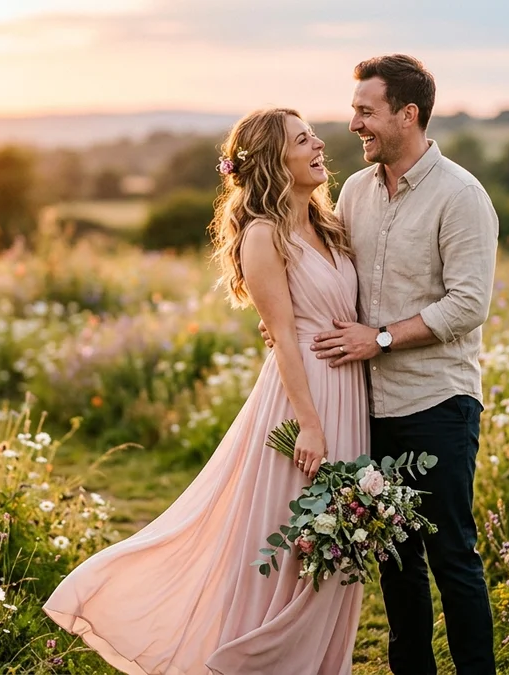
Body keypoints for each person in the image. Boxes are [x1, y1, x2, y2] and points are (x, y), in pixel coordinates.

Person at [44, 107, 367, 674]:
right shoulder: (264, 235)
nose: (320, 142)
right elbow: (285, 338)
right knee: (296, 545)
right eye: (302, 139)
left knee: (340, 546)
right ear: (274, 159)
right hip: (303, 400)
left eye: (312, 134)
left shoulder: (330, 223)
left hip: (351, 398)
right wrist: (309, 424)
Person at [265, 54, 500, 674]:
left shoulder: (462, 195)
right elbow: (333, 279)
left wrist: (383, 340)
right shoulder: (354, 191)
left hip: (438, 403)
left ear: (408, 114)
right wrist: (290, 318)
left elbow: (469, 304)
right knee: (395, 558)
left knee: (452, 555)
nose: (354, 124)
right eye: (354, 111)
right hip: (366, 407)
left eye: (366, 112)